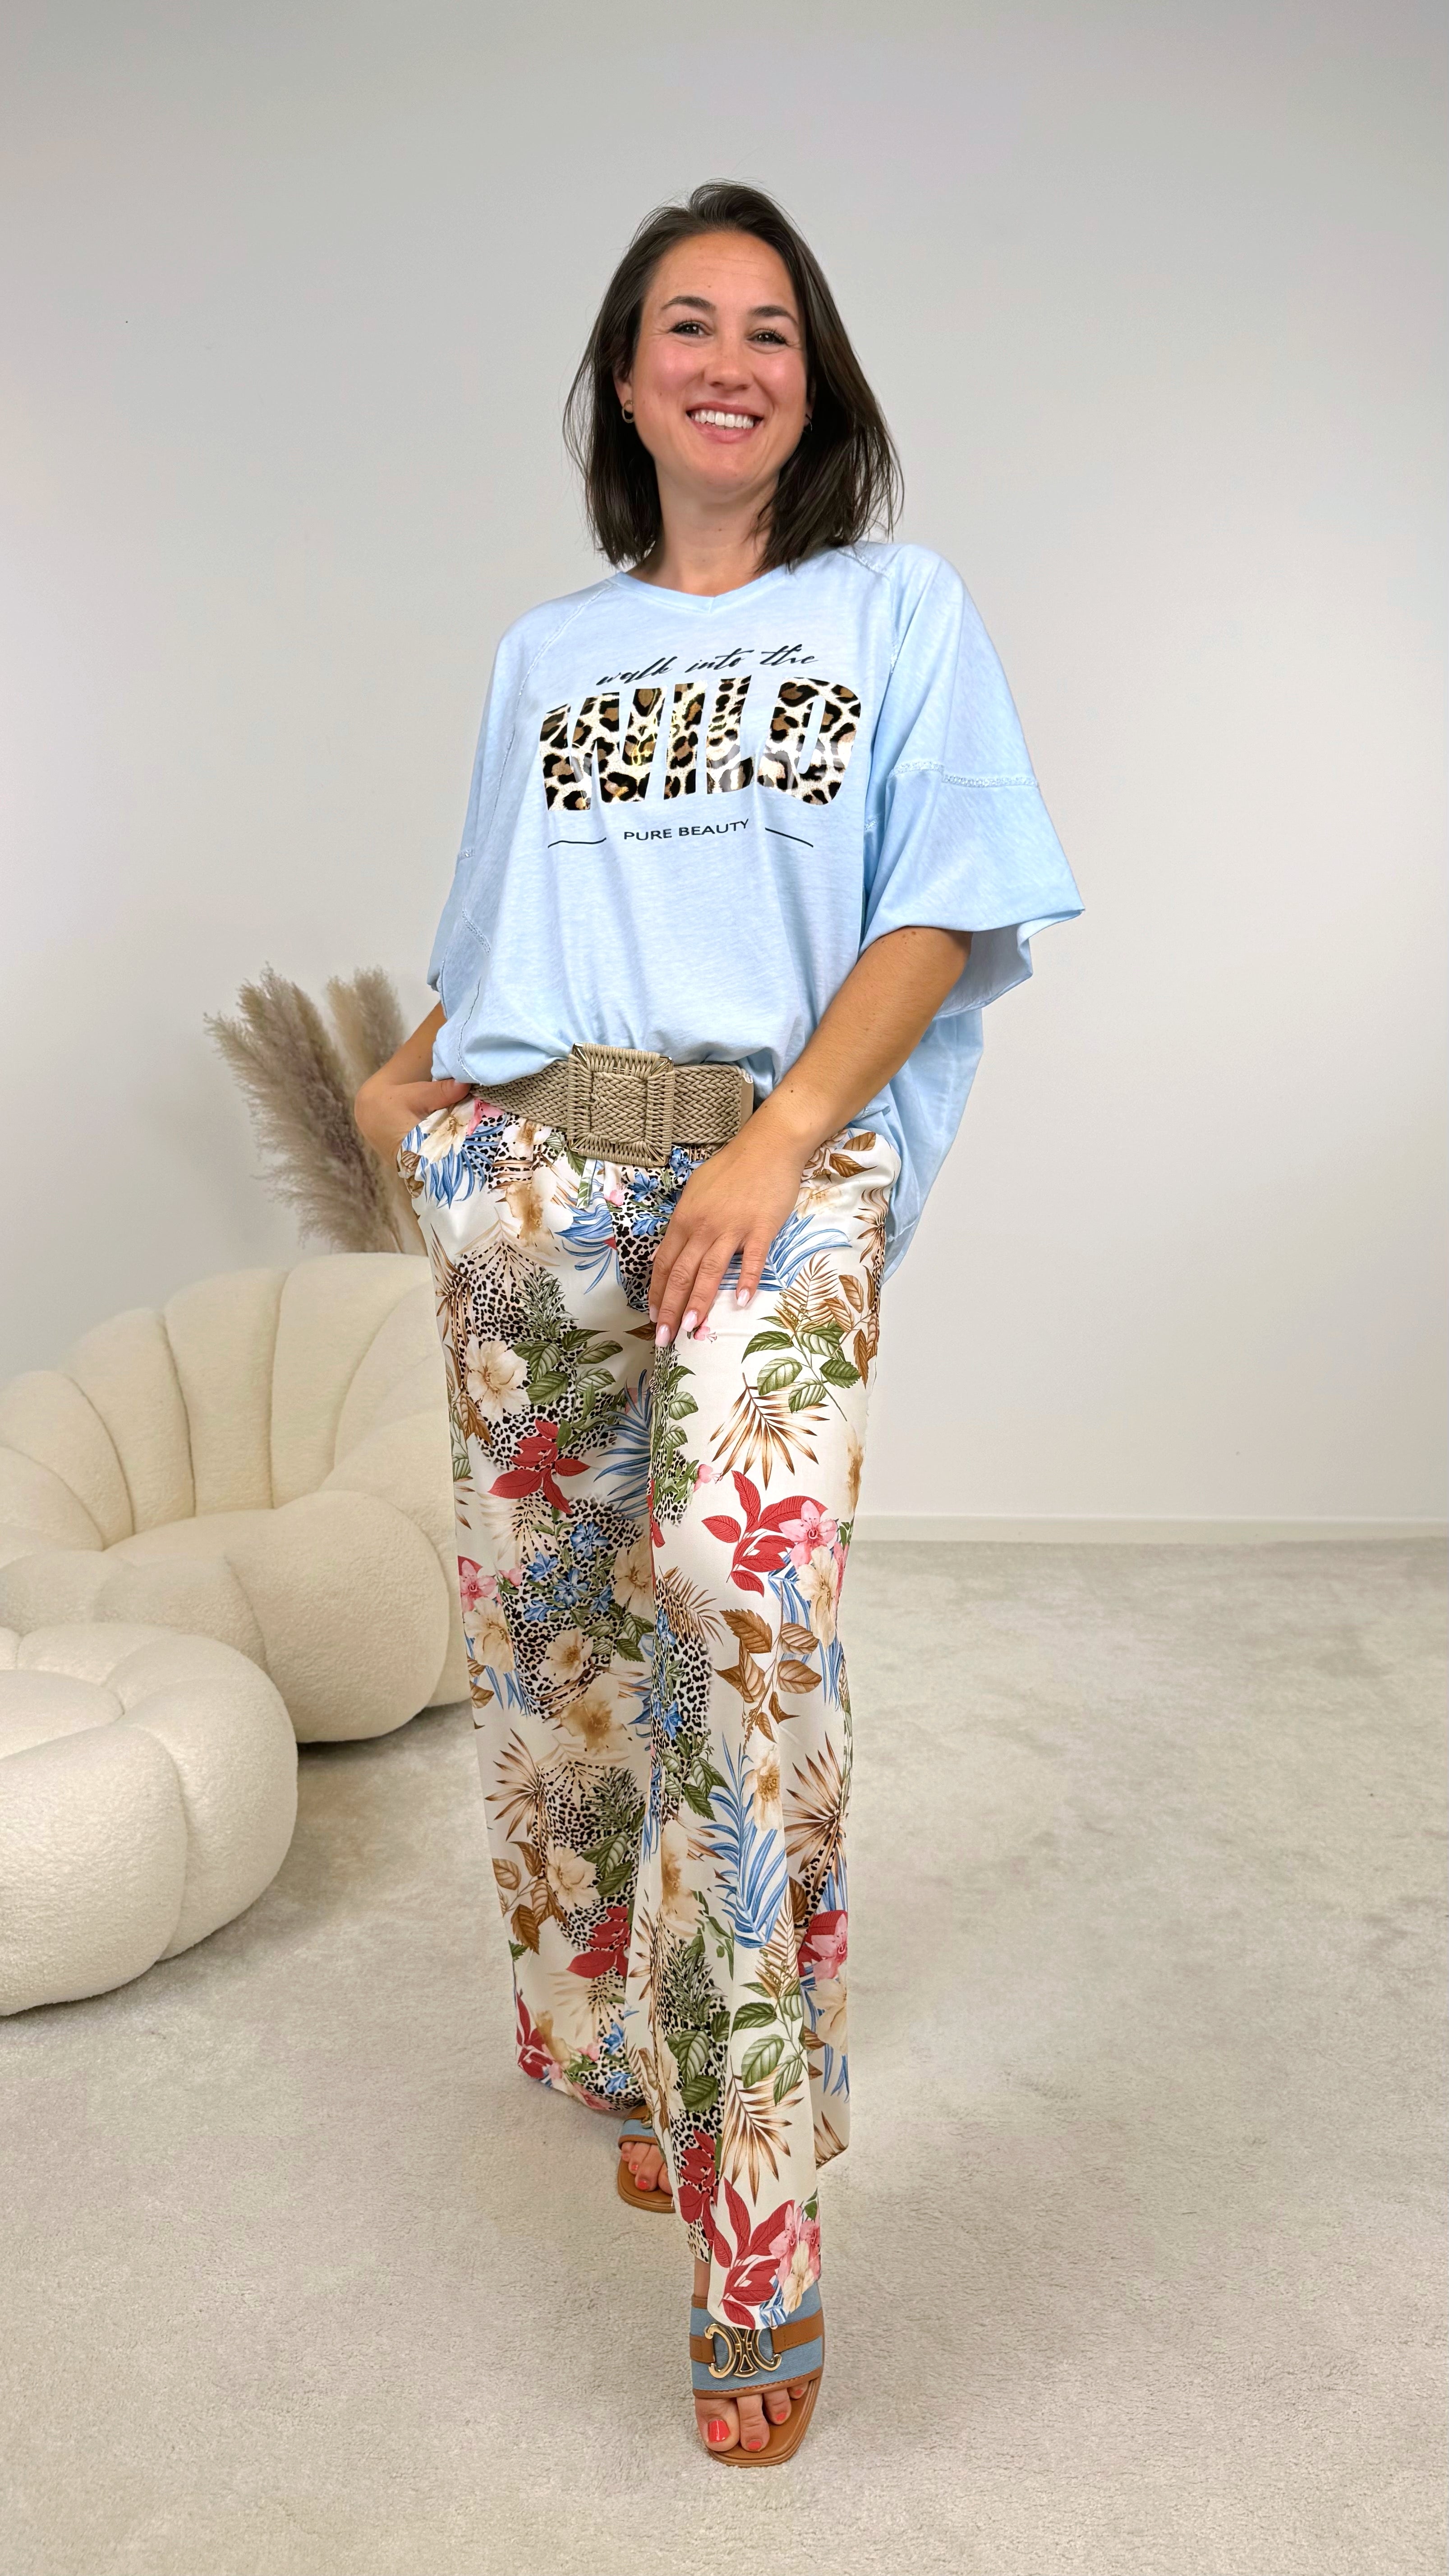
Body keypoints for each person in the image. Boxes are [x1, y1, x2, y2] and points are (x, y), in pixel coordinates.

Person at [355, 179, 1082, 2465]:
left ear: (814, 378)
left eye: (773, 328)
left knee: (738, 1616)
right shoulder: (544, 653)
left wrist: (778, 1142)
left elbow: (940, 911)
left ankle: (757, 2233)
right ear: (628, 375)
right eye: (690, 323)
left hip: (776, 1169)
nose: (732, 361)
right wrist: (406, 1086)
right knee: (557, 1652)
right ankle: (637, 2056)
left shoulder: (897, 611)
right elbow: (504, 937)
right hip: (540, 1172)